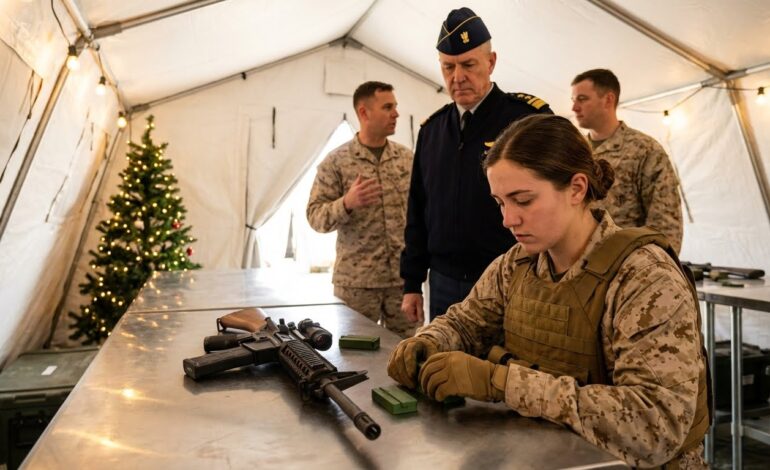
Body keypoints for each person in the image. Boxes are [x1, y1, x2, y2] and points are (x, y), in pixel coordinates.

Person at [388, 114, 710, 468]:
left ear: (577, 188)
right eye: (500, 203)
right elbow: (467, 323)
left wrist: (503, 383)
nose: (508, 219)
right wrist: (429, 342)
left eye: (523, 200)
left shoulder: (644, 279)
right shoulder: (518, 264)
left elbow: (656, 426)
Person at [400, 7, 552, 323]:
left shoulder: (527, 120)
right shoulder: (432, 131)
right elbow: (418, 209)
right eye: (448, 67)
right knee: (444, 354)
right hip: (443, 281)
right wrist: (412, 282)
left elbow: (555, 199)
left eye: (468, 65)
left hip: (511, 277)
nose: (457, 77)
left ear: (491, 62)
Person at [307, 81, 417, 337]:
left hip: (402, 282)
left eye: (395, 106)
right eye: (387, 107)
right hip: (356, 285)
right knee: (356, 353)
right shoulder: (336, 162)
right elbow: (315, 217)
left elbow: (423, 213)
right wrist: (346, 203)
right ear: (364, 112)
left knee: (407, 350)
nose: (396, 114)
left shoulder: (407, 159)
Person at [571, 68, 684, 253]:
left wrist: (653, 266)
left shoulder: (645, 149)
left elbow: (666, 224)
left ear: (608, 99)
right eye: (574, 100)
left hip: (628, 263)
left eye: (582, 99)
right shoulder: (574, 151)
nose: (574, 107)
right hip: (578, 261)